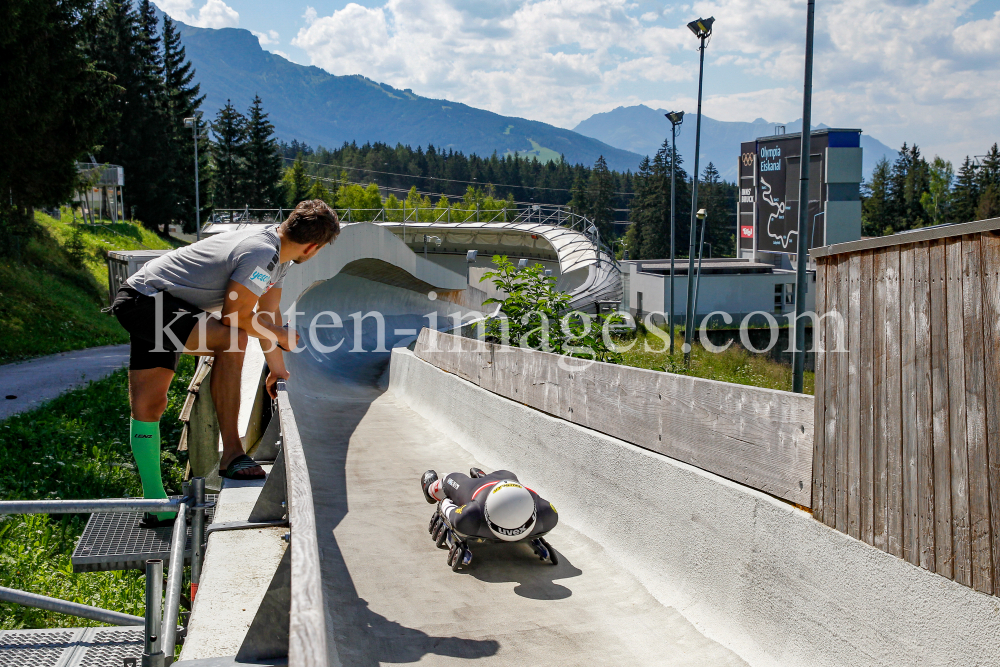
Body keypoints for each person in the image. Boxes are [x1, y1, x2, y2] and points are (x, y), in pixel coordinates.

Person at [110, 200, 339, 524]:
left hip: (158, 301)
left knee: (150, 405)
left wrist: (277, 370)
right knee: (232, 338)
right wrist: (281, 334)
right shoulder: (263, 255)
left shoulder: (279, 258)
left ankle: (155, 504)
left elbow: (266, 316)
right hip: (146, 301)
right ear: (313, 247)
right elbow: (236, 316)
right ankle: (232, 453)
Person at [421, 468, 558, 543]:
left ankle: (430, 488)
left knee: (451, 478)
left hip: (485, 486)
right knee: (506, 473)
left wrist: (444, 501)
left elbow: (449, 511)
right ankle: (482, 477)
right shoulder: (548, 515)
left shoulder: (468, 517)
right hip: (497, 482)